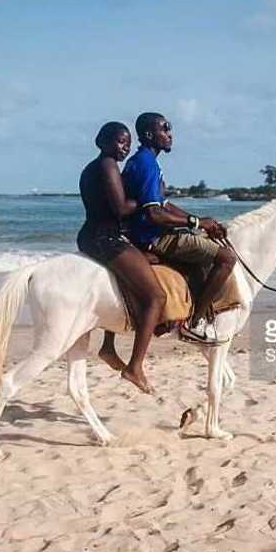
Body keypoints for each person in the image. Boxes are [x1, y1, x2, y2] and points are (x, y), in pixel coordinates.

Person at [122, 112, 235, 343]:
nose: (170, 134)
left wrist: (200, 220)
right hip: (153, 237)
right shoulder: (146, 164)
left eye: (169, 128)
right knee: (226, 258)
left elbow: (163, 204)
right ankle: (195, 322)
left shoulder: (145, 161)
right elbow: (154, 214)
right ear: (149, 134)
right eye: (165, 129)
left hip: (149, 232)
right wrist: (195, 223)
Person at [77, 121, 166, 394]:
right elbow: (120, 208)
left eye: (127, 142)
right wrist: (150, 198)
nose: (125, 147)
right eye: (119, 141)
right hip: (105, 240)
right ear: (102, 141)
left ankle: (108, 347)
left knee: (133, 274)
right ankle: (135, 367)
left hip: (92, 236)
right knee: (156, 297)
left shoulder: (96, 167)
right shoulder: (107, 166)